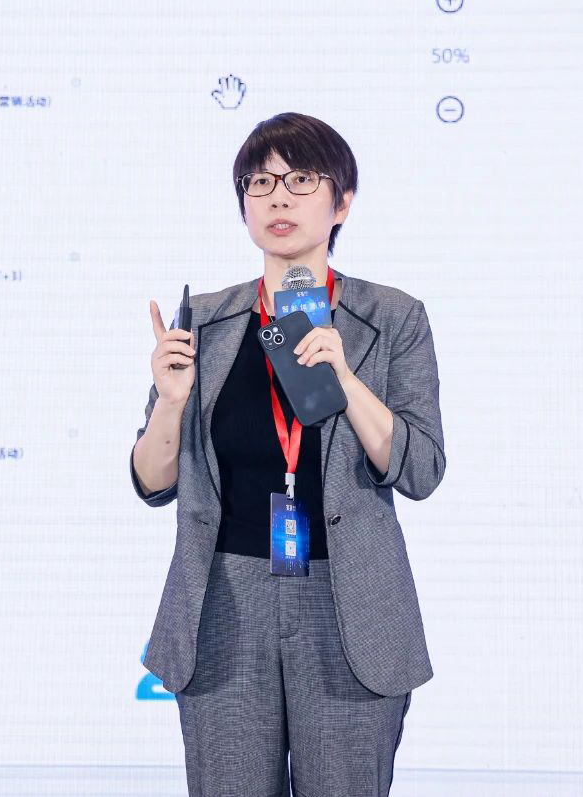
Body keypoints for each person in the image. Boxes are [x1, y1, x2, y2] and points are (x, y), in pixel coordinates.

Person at [130, 111, 446, 796]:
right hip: (225, 601)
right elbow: (151, 481)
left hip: (349, 603)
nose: (278, 197)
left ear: (342, 202)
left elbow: (421, 469)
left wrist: (347, 381)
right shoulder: (204, 321)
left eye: (301, 180)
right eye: (260, 182)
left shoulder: (392, 318)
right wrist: (170, 402)